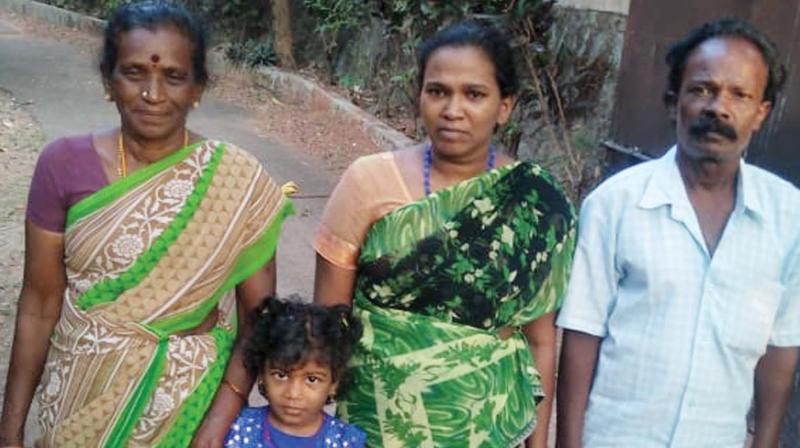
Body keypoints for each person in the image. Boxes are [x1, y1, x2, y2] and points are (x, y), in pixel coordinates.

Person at [0, 2, 293, 446]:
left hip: (189, 406)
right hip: (81, 397)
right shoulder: (61, 165)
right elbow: (39, 305)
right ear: (108, 79)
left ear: (197, 87)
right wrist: (10, 431)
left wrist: (217, 423)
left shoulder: (237, 180)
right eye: (134, 73)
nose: (153, 94)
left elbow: (258, 320)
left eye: (173, 77)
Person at [313, 21, 576, 447]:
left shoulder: (536, 202)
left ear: (505, 106)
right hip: (373, 421)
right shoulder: (368, 181)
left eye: (474, 94)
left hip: (488, 425)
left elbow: (541, 342)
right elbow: (327, 324)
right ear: (420, 96)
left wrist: (537, 445)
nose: (453, 109)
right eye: (438, 91)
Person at [556, 18, 800, 448]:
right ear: (674, 102)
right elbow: (582, 333)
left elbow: (781, 350)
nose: (718, 108)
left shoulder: (788, 216)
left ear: (761, 113)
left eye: (740, 95)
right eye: (702, 89)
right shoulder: (615, 204)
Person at [223, 298, 366, 447]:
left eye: (311, 379)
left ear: (334, 383)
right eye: (281, 375)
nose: (293, 394)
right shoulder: (237, 429)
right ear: (262, 375)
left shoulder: (346, 442)